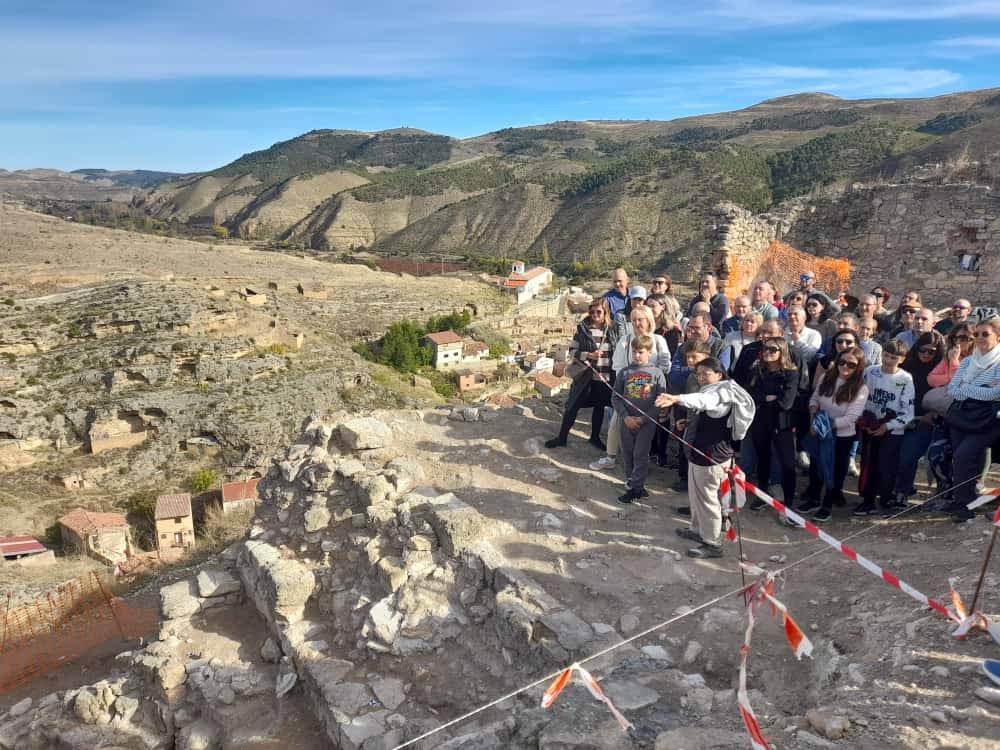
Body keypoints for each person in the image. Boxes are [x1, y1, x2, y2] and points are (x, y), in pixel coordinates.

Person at [655, 358, 754, 558]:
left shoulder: (722, 392)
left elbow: (705, 402)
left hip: (711, 456)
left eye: (706, 374)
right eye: (698, 374)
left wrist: (677, 399)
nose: (701, 378)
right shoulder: (713, 390)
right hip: (700, 452)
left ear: (719, 374)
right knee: (696, 495)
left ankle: (713, 543)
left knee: (708, 500)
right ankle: (697, 530)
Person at [590, 307, 670, 472]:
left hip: (650, 394)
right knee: (617, 424)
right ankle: (611, 457)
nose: (636, 323)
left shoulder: (659, 341)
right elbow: (617, 365)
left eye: (640, 319)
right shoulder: (625, 341)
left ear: (649, 320)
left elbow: (665, 368)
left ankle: (640, 467)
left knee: (645, 431)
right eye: (633, 320)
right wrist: (632, 377)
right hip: (628, 391)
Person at [798, 346, 869, 522]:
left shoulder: (861, 388)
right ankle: (814, 498)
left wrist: (823, 426)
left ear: (858, 367)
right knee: (816, 466)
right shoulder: (826, 377)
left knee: (835, 471)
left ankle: (827, 504)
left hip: (841, 437)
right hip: (820, 432)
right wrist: (813, 413)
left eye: (851, 365)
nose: (845, 366)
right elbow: (815, 398)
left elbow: (851, 418)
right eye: (841, 362)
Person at [945, 317, 1000, 521]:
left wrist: (967, 388)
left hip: (988, 420)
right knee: (960, 460)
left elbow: (995, 394)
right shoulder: (968, 361)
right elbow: (953, 391)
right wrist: (982, 389)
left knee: (964, 456)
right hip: (963, 417)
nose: (979, 338)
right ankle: (964, 504)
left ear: (997, 337)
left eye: (985, 334)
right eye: (976, 334)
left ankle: (964, 504)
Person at [545, 299, 618, 450]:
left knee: (600, 407)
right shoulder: (583, 329)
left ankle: (595, 438)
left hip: (605, 378)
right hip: (586, 376)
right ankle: (562, 437)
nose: (595, 315)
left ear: (606, 313)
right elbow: (572, 351)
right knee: (572, 406)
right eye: (592, 312)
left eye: (599, 312)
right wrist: (588, 355)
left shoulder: (612, 330)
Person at [855, 340, 914, 517]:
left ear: (902, 359)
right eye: (886, 356)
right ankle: (868, 500)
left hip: (891, 430)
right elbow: (859, 397)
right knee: (868, 464)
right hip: (869, 427)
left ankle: (886, 498)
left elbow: (908, 412)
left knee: (886, 466)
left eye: (894, 358)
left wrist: (887, 426)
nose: (888, 360)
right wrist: (862, 420)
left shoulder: (905, 379)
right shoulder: (870, 372)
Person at [746, 337, 801, 512]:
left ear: (782, 352)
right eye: (765, 349)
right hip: (760, 421)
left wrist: (764, 399)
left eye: (773, 350)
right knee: (763, 459)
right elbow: (750, 396)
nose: (767, 353)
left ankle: (789, 501)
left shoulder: (791, 373)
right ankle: (762, 494)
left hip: (781, 424)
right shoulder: (757, 371)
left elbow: (786, 403)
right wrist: (767, 398)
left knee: (787, 463)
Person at [613, 335, 667, 504]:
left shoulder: (657, 373)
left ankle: (636, 488)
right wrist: (625, 416)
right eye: (634, 352)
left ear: (649, 353)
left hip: (646, 423)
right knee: (628, 454)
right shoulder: (624, 372)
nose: (637, 355)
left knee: (640, 454)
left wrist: (645, 418)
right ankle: (632, 483)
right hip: (627, 421)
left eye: (641, 352)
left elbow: (660, 399)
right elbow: (616, 397)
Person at [892, 332, 945, 503]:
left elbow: (948, 394)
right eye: (923, 350)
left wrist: (933, 413)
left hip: (929, 420)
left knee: (919, 456)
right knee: (900, 456)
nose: (927, 354)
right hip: (904, 418)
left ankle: (904, 492)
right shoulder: (906, 366)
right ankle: (898, 490)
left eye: (932, 352)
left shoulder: (942, 370)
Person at [928, 323, 975, 387]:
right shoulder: (950, 356)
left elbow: (960, 381)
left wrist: (954, 361)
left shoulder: (977, 360)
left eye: (963, 338)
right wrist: (949, 377)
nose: (958, 341)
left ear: (973, 340)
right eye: (955, 338)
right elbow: (931, 379)